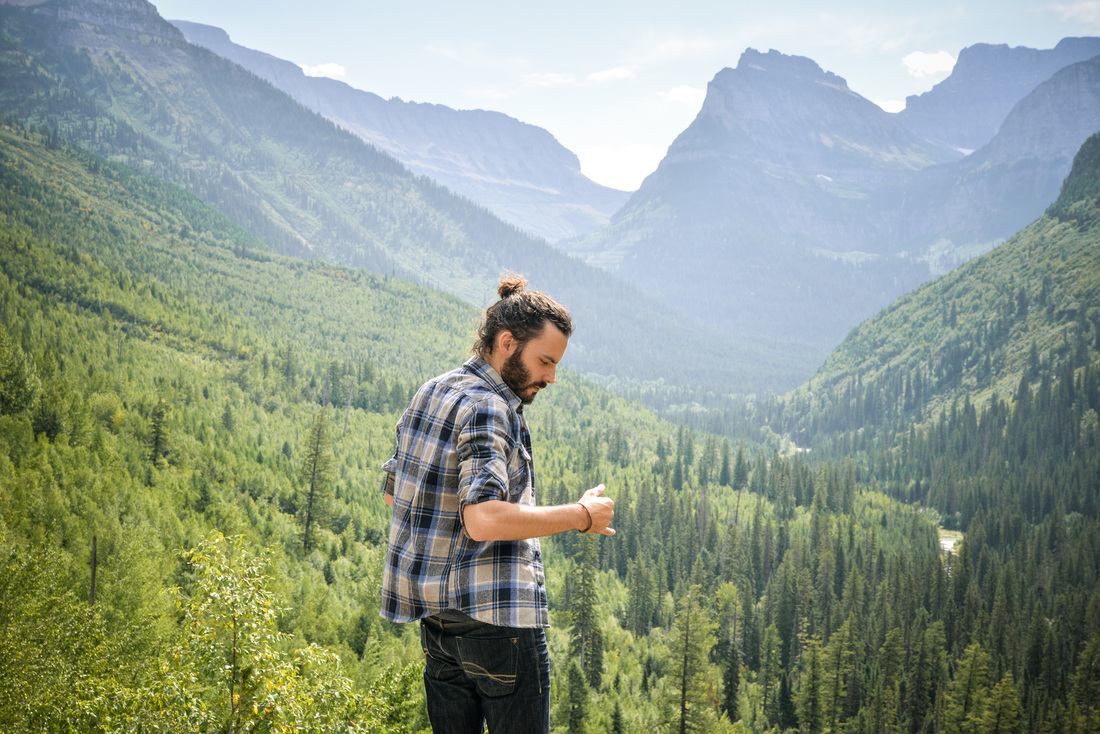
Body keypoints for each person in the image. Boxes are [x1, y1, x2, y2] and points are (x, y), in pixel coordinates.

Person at [380, 274, 615, 733]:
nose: (551, 377)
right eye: (545, 361)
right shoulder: (489, 406)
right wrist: (581, 515)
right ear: (507, 342)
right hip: (499, 624)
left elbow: (395, 493)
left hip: (438, 625)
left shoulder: (432, 390)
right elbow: (483, 519)